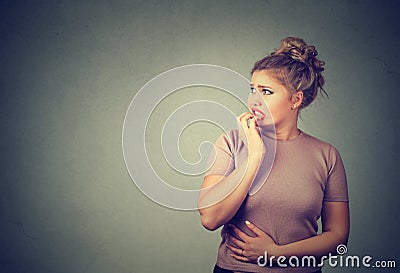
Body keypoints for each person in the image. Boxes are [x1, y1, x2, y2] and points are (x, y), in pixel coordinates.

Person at [197, 37, 350, 273]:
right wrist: (255, 155)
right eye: (252, 90)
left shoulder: (326, 155)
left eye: (266, 92)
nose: (253, 100)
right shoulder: (231, 142)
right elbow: (210, 218)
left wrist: (276, 254)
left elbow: (338, 238)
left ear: (295, 100)